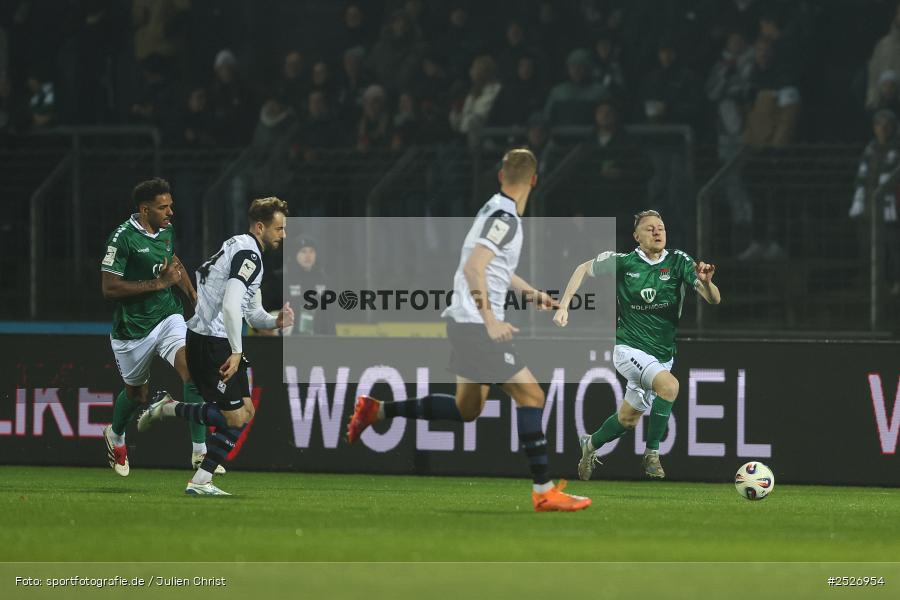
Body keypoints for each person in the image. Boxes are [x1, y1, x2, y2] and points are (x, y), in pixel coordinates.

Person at [346, 148, 592, 512]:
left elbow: (493, 267)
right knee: (532, 396)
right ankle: (543, 490)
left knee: (467, 408)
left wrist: (530, 294)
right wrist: (491, 318)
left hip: (463, 321)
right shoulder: (505, 217)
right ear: (535, 181)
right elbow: (475, 268)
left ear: (500, 176)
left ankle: (377, 410)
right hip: (476, 324)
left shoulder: (493, 210)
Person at [137, 198, 295, 495]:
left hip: (208, 337)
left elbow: (251, 312)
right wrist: (236, 352)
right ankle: (197, 472)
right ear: (260, 227)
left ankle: (175, 421)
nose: (283, 235)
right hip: (213, 342)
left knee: (244, 412)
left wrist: (276, 322)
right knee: (236, 417)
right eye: (279, 228)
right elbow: (232, 305)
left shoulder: (238, 246)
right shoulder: (250, 255)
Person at [553, 210, 721, 480]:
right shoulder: (624, 262)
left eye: (661, 228)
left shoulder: (679, 261)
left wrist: (707, 283)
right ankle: (652, 454)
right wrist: (564, 306)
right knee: (670, 386)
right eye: (650, 229)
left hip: (662, 356)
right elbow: (582, 268)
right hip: (628, 349)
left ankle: (590, 444)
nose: (657, 232)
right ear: (636, 236)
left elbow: (713, 299)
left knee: (627, 420)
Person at [100, 178, 216, 477]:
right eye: (163, 207)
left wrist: (193, 296)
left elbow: (172, 261)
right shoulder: (121, 239)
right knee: (137, 395)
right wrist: (157, 283)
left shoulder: (165, 230)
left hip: (167, 316)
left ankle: (200, 452)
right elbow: (109, 288)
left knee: (192, 368)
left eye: (171, 206)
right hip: (132, 330)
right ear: (144, 209)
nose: (170, 212)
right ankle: (115, 434)